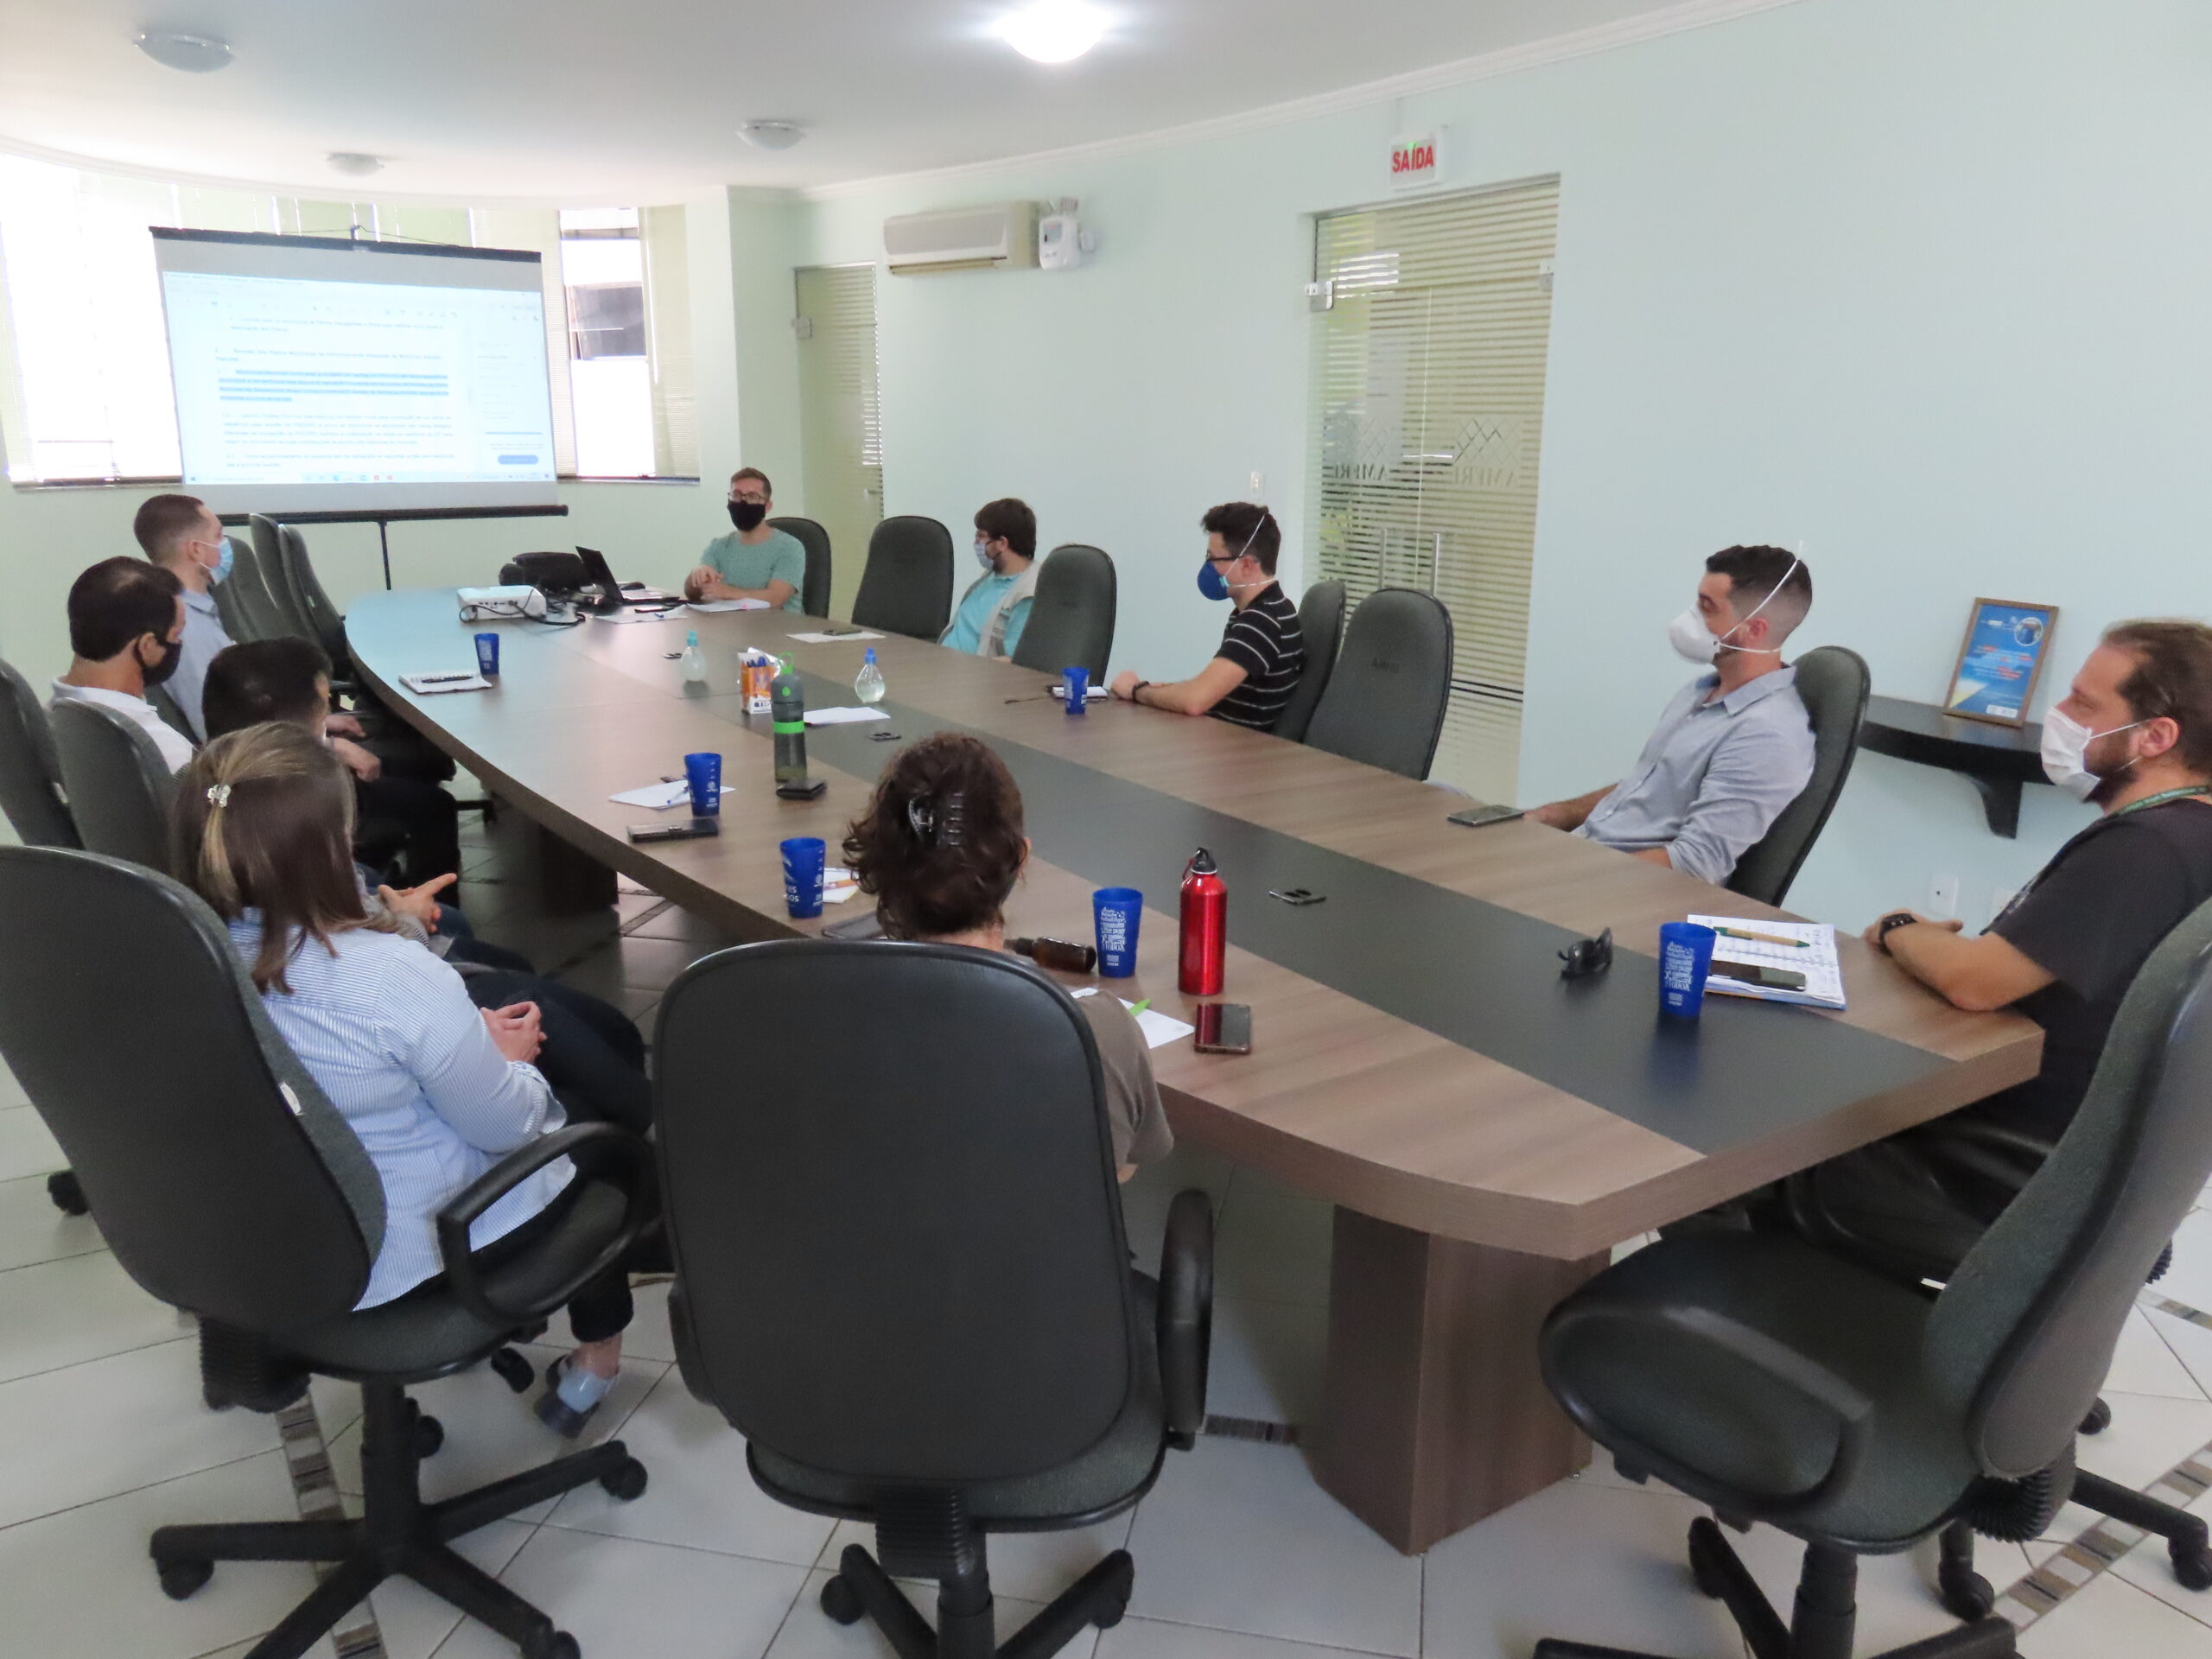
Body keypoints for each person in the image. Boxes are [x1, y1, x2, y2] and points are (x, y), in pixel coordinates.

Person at [173, 723, 652, 1435]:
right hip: (406, 1249)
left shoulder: (177, 955)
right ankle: (596, 1361)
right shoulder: (383, 977)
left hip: (266, 1238)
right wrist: (505, 1063)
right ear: (331, 849)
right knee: (589, 1124)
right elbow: (510, 1127)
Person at [1867, 621, 2212, 1142]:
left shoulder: (2145, 849)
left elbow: (1974, 983)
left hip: (1986, 1145)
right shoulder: (2189, 831)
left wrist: (1899, 927)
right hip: (2063, 1140)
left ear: (2156, 737)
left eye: (2083, 704)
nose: (2059, 718)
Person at [842, 734, 1173, 1177]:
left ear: (880, 864)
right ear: (1020, 860)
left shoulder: (830, 1010)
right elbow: (1118, 1173)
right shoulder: (1098, 1032)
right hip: (1042, 1248)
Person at [1528, 545, 1815, 885]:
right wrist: (1553, 816)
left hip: (1618, 891)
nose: (1689, 618)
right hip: (1587, 858)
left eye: (1706, 608)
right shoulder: (1702, 691)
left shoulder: (1769, 734)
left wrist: (1567, 874)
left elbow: (1696, 863)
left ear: (1753, 630)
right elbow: (1646, 789)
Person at [132, 490, 389, 779]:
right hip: (264, 781)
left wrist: (318, 723)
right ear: (195, 550)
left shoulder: (198, 611)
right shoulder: (188, 630)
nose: (225, 545)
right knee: (423, 802)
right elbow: (225, 735)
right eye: (218, 535)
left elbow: (241, 714)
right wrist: (324, 744)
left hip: (264, 756)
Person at [203, 637, 461, 888]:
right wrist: (327, 746)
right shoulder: (302, 802)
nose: (327, 708)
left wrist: (324, 734)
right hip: (349, 906)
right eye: (324, 702)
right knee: (431, 804)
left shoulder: (216, 778)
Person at [1109, 503, 1305, 733]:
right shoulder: (1265, 610)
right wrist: (1164, 691)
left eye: (1214, 558)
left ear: (1246, 565)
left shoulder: (1262, 622)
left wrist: (1136, 690)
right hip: (1219, 740)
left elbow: (1195, 701)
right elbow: (1208, 687)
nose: (1208, 567)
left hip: (1235, 754)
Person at [48, 556, 194, 772]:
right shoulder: (165, 750)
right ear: (147, 645)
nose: (179, 644)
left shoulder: (50, 715)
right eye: (177, 634)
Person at [683, 467, 805, 612]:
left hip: (778, 629)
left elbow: (776, 598)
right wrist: (696, 576)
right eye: (736, 495)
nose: (742, 502)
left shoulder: (790, 547)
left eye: (752, 497)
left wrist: (730, 593)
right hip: (730, 627)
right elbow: (694, 593)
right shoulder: (719, 546)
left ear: (767, 506)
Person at [940, 498, 1037, 659]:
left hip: (972, 678)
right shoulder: (990, 575)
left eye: (981, 536)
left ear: (1002, 543)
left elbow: (1016, 663)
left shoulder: (1027, 594)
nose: (976, 543)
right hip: (940, 664)